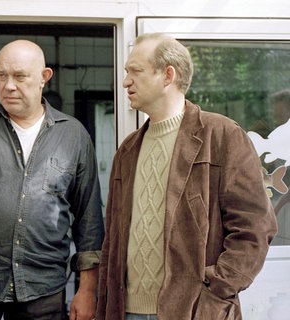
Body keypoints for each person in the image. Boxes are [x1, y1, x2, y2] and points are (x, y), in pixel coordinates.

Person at [96, 32, 278, 320]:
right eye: (126, 72)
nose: (125, 81)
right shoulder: (127, 150)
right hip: (126, 311)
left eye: (136, 71)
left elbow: (255, 228)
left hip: (193, 310)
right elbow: (113, 242)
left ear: (168, 75)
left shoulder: (222, 136)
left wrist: (217, 292)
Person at [0, 39, 104, 320]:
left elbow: (89, 220)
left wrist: (88, 289)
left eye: (19, 76)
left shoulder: (73, 135)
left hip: (44, 287)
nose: (9, 85)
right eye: (1, 75)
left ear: (44, 77)